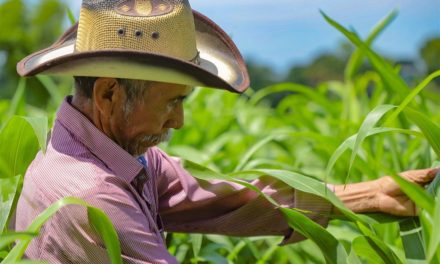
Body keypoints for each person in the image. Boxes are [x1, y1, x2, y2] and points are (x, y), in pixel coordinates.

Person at [15, 0, 438, 263]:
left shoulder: (118, 153)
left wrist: (366, 195)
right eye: (172, 101)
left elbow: (223, 203)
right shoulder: (90, 197)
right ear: (108, 94)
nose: (178, 121)